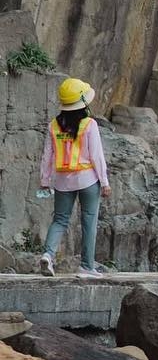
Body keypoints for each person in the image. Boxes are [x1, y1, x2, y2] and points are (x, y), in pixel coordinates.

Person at [37, 78, 110, 278]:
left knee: (60, 219)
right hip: (87, 179)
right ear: (83, 103)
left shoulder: (53, 125)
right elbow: (97, 156)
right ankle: (86, 266)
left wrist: (45, 180)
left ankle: (48, 255)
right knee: (89, 221)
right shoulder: (89, 124)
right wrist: (104, 182)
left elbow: (47, 155)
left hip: (62, 180)